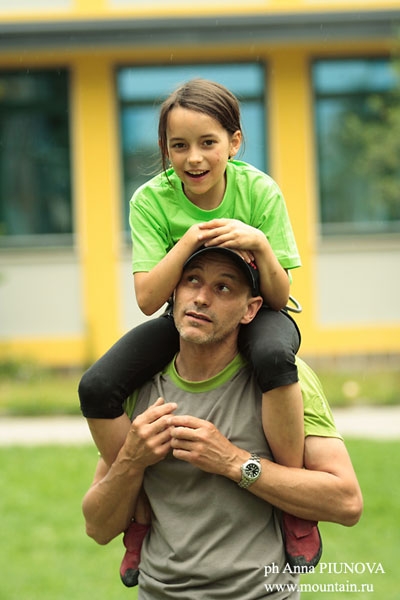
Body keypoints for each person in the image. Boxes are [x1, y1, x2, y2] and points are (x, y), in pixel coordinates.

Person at [79, 78, 307, 581]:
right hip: (183, 312)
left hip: (260, 310)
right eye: (178, 146)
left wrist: (260, 246)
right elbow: (146, 300)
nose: (194, 158)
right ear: (165, 149)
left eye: (208, 143)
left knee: (273, 358)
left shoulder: (259, 190)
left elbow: (276, 295)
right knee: (96, 387)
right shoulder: (150, 200)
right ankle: (137, 507)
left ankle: (294, 506)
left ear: (234, 142)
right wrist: (188, 243)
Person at [82, 247, 363, 599]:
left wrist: (234, 462)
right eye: (192, 280)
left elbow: (347, 503)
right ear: (174, 291)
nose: (201, 298)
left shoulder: (284, 382)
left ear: (251, 309)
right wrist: (131, 460)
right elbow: (98, 527)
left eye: (223, 288)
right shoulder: (137, 386)